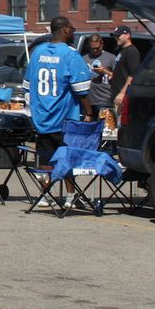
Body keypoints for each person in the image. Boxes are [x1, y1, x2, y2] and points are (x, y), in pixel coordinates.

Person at [24, 16, 94, 208]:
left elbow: (27, 85)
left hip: (42, 117)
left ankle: (46, 195)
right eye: (72, 28)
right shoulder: (70, 55)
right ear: (63, 30)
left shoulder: (37, 52)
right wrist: (88, 112)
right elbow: (81, 89)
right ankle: (70, 197)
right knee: (67, 157)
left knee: (45, 158)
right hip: (64, 118)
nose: (74, 31)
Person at [83, 34, 117, 117]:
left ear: (102, 43)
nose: (95, 50)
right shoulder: (84, 59)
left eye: (97, 48)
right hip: (88, 101)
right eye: (92, 48)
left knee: (106, 128)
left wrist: (105, 71)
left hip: (105, 100)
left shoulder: (111, 58)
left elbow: (119, 77)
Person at [111, 25, 141, 112]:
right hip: (116, 94)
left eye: (118, 36)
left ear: (127, 35)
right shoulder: (122, 50)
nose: (116, 38)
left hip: (123, 96)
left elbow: (133, 74)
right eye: (115, 36)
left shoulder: (131, 51)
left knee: (120, 123)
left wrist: (122, 93)